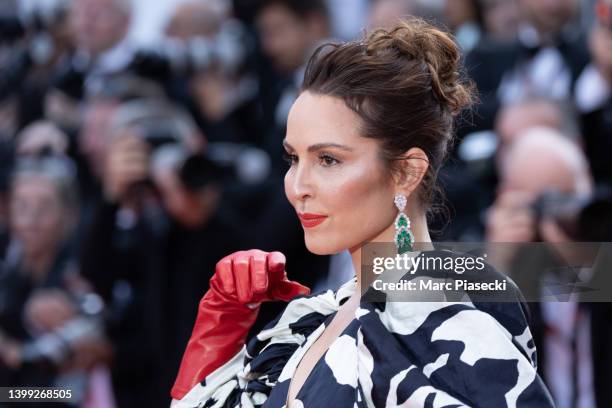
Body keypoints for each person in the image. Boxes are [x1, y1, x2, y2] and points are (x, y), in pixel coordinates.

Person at [170, 18, 555, 407]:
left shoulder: (442, 315)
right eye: (292, 158)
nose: (298, 186)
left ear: (405, 172)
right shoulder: (307, 320)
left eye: (328, 160)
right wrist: (221, 328)